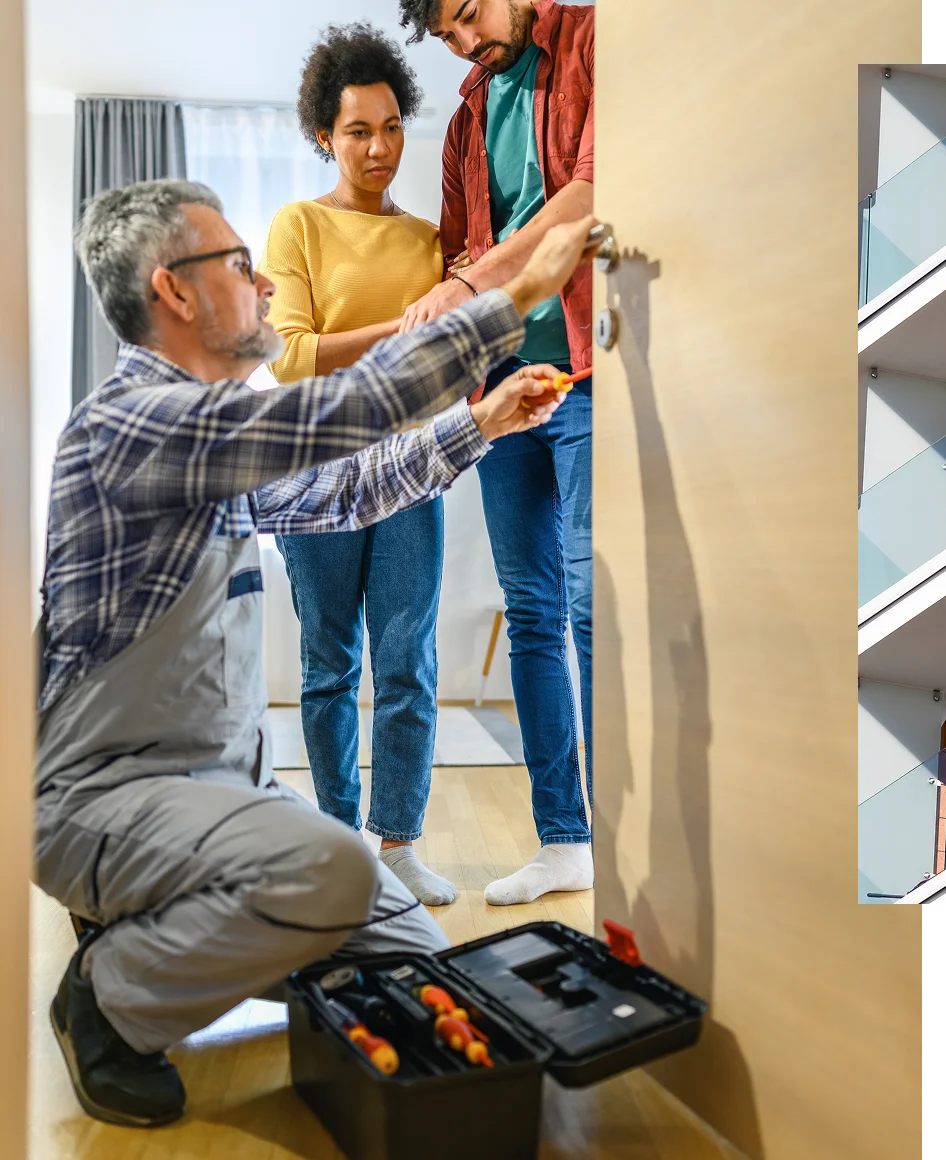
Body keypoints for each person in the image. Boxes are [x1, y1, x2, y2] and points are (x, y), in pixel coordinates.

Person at [35, 176, 595, 1126]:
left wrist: (481, 421)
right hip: (104, 805)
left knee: (414, 956)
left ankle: (179, 927)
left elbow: (344, 487)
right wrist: (517, 297)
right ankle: (112, 991)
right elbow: (329, 416)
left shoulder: (205, 440)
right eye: (240, 266)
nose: (263, 288)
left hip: (217, 796)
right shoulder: (130, 425)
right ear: (172, 289)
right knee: (329, 871)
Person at [396, 0, 596, 907]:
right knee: (533, 607)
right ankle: (566, 840)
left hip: (592, 366)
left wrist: (473, 280)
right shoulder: (471, 108)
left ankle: (631, 842)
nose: (465, 44)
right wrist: (449, 298)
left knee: (594, 603)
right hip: (509, 380)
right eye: (446, 38)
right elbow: (457, 248)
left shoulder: (598, 39)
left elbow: (590, 198)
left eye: (468, 17)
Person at [261, 23, 461, 906]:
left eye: (390, 127)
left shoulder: (430, 242)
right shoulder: (298, 225)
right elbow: (294, 357)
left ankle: (400, 845)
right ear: (323, 136)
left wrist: (432, 331)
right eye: (357, 131)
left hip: (411, 471)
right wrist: (408, 328)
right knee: (330, 663)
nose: (378, 147)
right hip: (316, 475)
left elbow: (452, 359)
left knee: (409, 663)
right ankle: (342, 848)